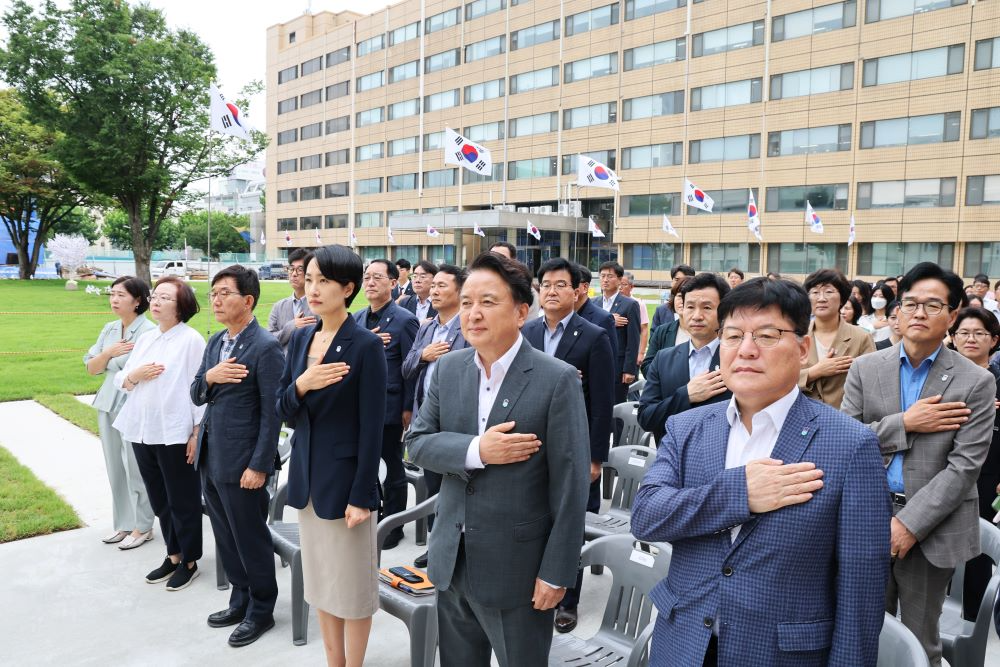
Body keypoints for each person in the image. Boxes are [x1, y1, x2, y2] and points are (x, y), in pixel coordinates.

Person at [632, 277, 891, 666]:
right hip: (683, 643)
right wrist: (740, 493)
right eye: (733, 336)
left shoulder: (849, 445)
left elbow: (861, 592)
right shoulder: (688, 427)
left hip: (779, 653)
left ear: (803, 348)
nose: (746, 351)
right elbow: (647, 516)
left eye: (767, 336)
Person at [405, 251, 590, 666]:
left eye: (488, 302)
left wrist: (557, 572)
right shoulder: (450, 368)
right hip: (452, 559)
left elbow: (571, 485)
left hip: (518, 570)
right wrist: (476, 450)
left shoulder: (555, 379)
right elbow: (416, 442)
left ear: (522, 311)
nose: (473, 314)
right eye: (467, 302)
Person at [842, 262, 996, 666]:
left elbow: (964, 467)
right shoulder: (866, 367)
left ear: (953, 312)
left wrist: (909, 524)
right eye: (910, 303)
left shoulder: (975, 381)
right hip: (866, 516)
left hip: (933, 528)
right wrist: (905, 423)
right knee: (860, 631)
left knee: (919, 639)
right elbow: (845, 441)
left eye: (932, 305)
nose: (919, 313)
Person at [275, 245, 386, 667]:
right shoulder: (302, 336)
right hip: (306, 481)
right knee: (321, 584)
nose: (313, 288)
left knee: (353, 589)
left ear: (348, 288)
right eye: (309, 279)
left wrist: (361, 495)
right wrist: (303, 383)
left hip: (345, 487)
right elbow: (283, 407)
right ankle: (332, 662)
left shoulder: (364, 345)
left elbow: (372, 427)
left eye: (324, 281)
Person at [190, 265, 284, 647]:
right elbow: (197, 393)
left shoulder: (265, 347)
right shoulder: (215, 343)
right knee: (226, 537)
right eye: (212, 293)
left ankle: (262, 610)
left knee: (250, 538)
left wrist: (259, 465)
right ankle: (239, 598)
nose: (215, 299)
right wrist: (211, 378)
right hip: (212, 457)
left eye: (224, 293)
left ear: (247, 300)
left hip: (244, 462)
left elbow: (272, 411)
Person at [522, 258, 615, 634]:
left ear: (577, 291)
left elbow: (603, 404)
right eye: (545, 284)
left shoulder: (593, 336)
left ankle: (567, 601)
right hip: (531, 445)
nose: (552, 291)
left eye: (561, 284)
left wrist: (595, 457)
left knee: (568, 525)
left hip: (573, 446)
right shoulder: (527, 333)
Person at [113, 276, 206, 591]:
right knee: (159, 498)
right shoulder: (148, 338)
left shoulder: (191, 340)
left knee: (183, 499)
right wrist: (134, 375)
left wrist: (196, 432)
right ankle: (173, 554)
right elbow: (122, 380)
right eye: (156, 295)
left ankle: (190, 560)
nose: (156, 301)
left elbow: (199, 390)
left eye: (166, 297)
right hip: (142, 429)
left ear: (181, 305)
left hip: (175, 431)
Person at [401, 264, 470, 569]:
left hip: (456, 424)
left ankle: (458, 549)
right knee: (432, 488)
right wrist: (423, 355)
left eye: (443, 286)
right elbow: (406, 368)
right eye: (434, 285)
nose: (434, 290)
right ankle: (436, 546)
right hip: (426, 420)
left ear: (459, 291)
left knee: (456, 490)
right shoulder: (427, 328)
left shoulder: (468, 326)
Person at [84, 276, 156, 549]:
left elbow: (143, 370)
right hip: (107, 402)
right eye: (111, 294)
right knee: (115, 466)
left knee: (135, 468)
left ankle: (143, 525)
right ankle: (124, 524)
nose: (114, 300)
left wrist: (105, 360)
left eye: (120, 295)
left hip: (134, 405)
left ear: (137, 300)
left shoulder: (149, 331)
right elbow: (92, 368)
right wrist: (110, 353)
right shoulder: (110, 329)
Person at [353, 259, 418, 550]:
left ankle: (393, 524)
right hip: (358, 405)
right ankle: (371, 513)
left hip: (390, 407)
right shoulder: (356, 319)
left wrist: (407, 407)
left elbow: (411, 367)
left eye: (377, 277)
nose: (370, 282)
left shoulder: (404, 320)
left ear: (393, 283)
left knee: (391, 465)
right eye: (367, 277)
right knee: (364, 463)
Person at [946, 307, 1000, 621]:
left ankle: (971, 623)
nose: (971, 339)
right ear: (952, 338)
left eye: (980, 333)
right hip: (946, 473)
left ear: (993, 340)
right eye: (964, 333)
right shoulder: (942, 378)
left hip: (988, 474)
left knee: (977, 551)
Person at [638, 272, 732, 446]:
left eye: (707, 307)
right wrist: (686, 395)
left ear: (724, 311)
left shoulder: (737, 359)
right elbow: (646, 417)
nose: (697, 315)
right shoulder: (663, 359)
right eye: (690, 307)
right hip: (672, 461)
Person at [800, 268, 876, 409]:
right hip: (801, 417)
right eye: (815, 292)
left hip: (844, 420)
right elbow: (780, 382)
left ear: (842, 298)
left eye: (829, 292)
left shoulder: (861, 337)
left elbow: (872, 384)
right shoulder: (796, 336)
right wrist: (814, 372)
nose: (821, 298)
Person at [594, 261, 641, 403]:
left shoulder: (630, 305)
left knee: (616, 406)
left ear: (620, 280)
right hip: (595, 362)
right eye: (602, 276)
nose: (605, 280)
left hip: (618, 366)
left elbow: (633, 339)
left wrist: (629, 369)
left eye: (610, 276)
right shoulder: (593, 303)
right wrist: (609, 321)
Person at [267, 248, 315, 353]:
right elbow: (268, 340)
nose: (294, 274)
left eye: (300, 269)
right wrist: (292, 326)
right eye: (291, 269)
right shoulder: (278, 306)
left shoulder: (318, 305)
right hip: (281, 366)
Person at [640, 275, 690, 376]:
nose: (683, 301)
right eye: (679, 296)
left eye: (688, 296)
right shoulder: (662, 331)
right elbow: (646, 367)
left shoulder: (708, 333)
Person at [574, 263, 618, 360]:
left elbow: (609, 360)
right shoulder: (561, 316)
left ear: (585, 287)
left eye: (572, 284)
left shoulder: (603, 319)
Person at [621, 272, 649, 368]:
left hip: (632, 353)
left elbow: (644, 329)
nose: (620, 287)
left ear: (631, 287)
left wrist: (641, 353)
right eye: (618, 284)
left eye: (623, 284)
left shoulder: (638, 304)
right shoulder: (611, 303)